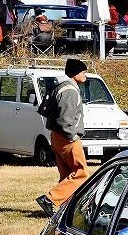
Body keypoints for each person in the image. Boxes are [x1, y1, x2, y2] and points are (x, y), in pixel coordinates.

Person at [36, 59, 90, 215]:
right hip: (66, 137)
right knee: (81, 173)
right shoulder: (70, 90)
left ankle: (66, 208)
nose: (85, 75)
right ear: (75, 74)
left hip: (57, 136)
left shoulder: (60, 86)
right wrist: (72, 136)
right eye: (83, 72)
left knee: (67, 175)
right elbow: (65, 119)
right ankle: (50, 199)